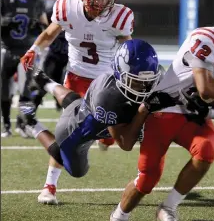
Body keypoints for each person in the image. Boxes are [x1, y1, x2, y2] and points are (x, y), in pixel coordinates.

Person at [108, 0, 214, 221]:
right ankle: (119, 216)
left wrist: (212, 108)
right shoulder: (207, 38)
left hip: (195, 115)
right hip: (164, 109)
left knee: (206, 150)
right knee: (148, 177)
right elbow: (205, 90)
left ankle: (168, 208)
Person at [21, 39, 177, 205]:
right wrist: (144, 110)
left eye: (148, 82)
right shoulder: (108, 98)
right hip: (77, 131)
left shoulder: (148, 77)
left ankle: (45, 81)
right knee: (75, 168)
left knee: (74, 102)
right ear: (120, 75)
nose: (143, 88)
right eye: (136, 82)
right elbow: (125, 143)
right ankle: (31, 123)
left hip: (85, 107)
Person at [19, 0, 136, 203]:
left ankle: (106, 138)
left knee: (108, 133)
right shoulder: (66, 7)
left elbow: (129, 48)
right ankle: (49, 186)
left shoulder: (120, 16)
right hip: (76, 79)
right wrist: (34, 49)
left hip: (107, 83)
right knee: (68, 133)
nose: (101, 2)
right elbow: (49, 34)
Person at [1, 0, 48, 138]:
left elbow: (45, 26)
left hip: (27, 52)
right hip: (6, 50)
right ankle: (6, 125)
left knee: (26, 90)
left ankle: (23, 123)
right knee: (4, 91)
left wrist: (40, 28)